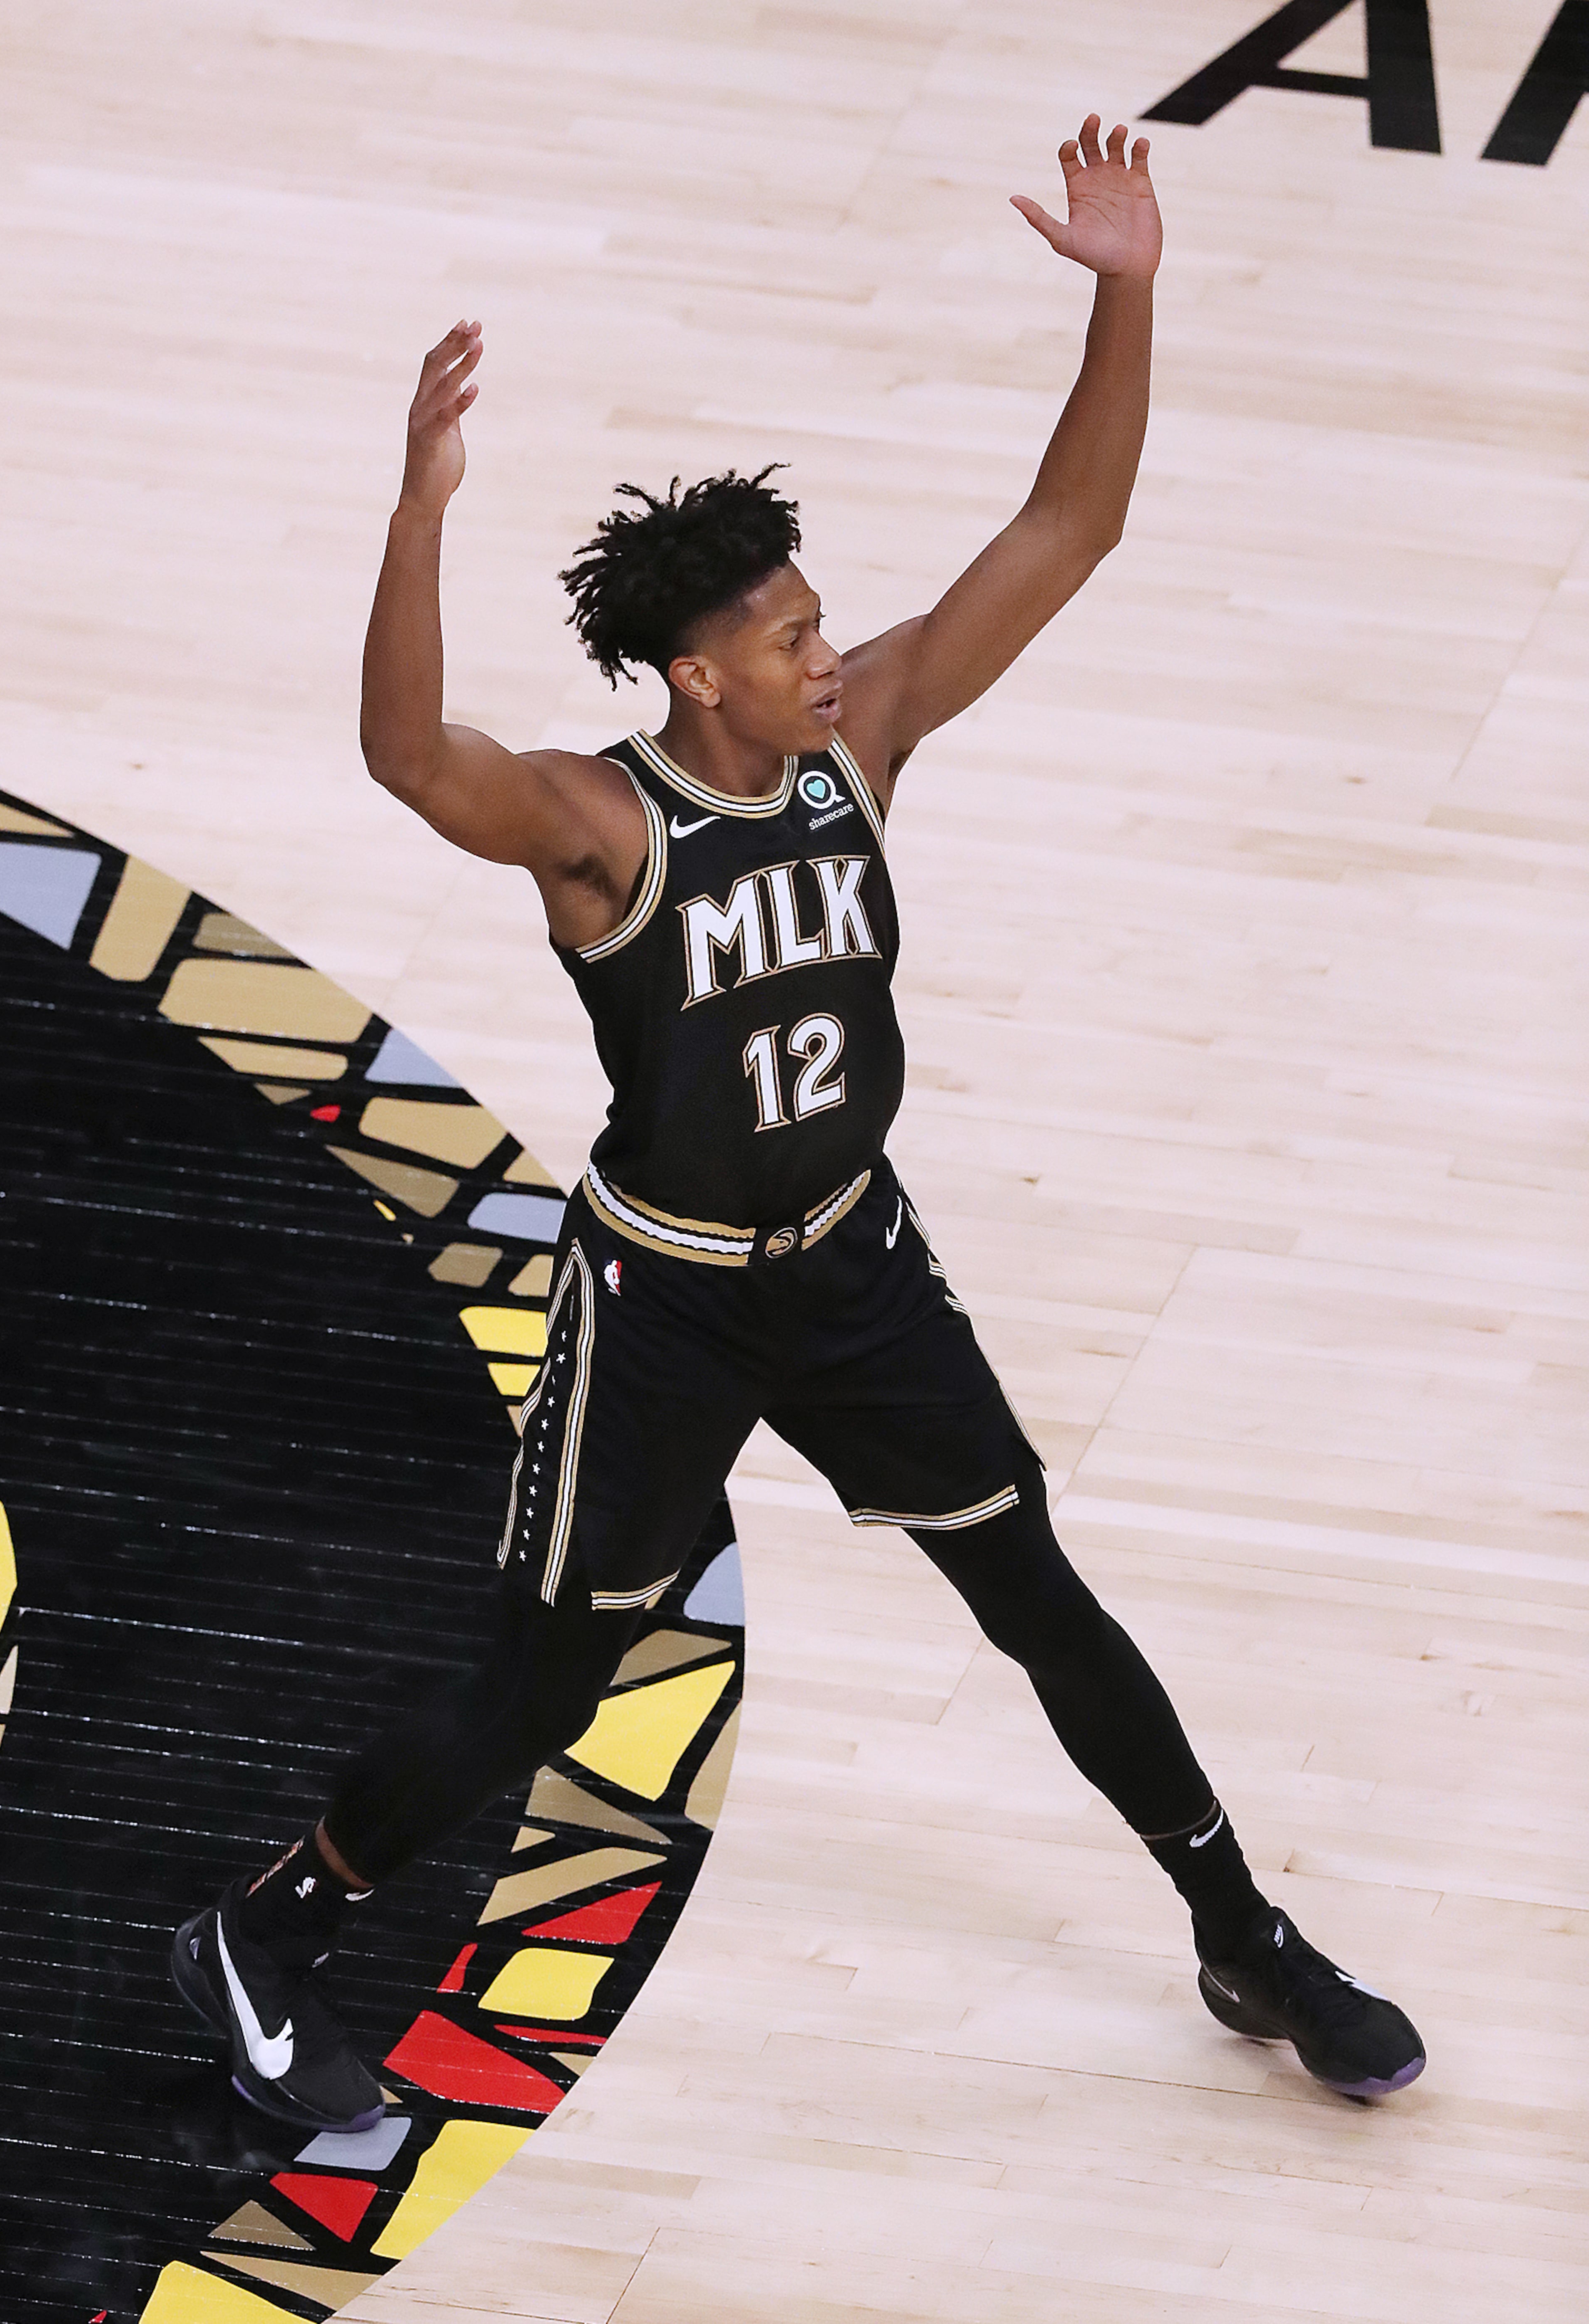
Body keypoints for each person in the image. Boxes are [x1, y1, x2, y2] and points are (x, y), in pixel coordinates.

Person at [173, 117, 1424, 2134]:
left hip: (853, 1256)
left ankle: (1241, 1931)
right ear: (694, 678)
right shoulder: (602, 830)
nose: (826, 652)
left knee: (1038, 1589)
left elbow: (1065, 532)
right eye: (785, 641)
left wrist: (1129, 290)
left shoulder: (866, 742)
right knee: (543, 1681)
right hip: (666, 1299)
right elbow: (407, 752)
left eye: (822, 623)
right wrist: (418, 506)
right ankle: (270, 1925)